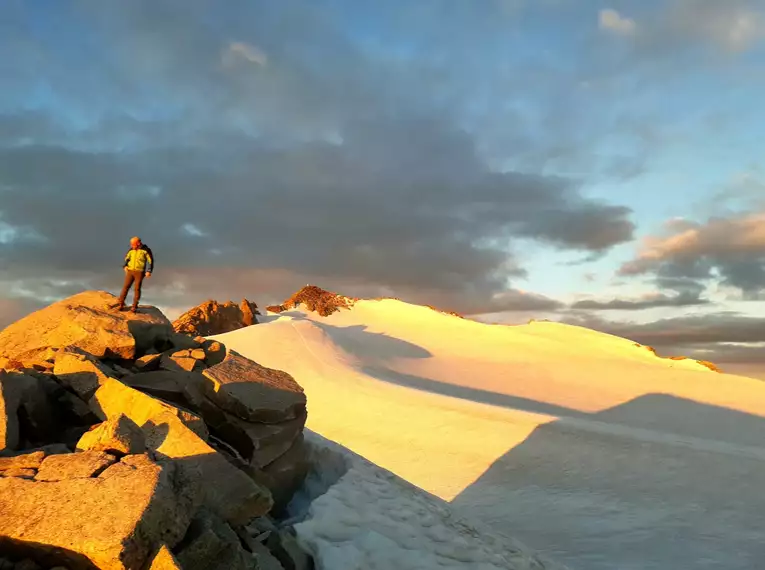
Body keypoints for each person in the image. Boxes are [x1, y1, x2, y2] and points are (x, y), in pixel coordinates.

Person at [117, 236, 153, 312]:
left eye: (133, 244)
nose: (131, 245)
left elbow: (150, 261)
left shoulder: (146, 250)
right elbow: (127, 258)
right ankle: (121, 304)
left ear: (138, 243)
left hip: (139, 272)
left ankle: (134, 306)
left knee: (137, 288)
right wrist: (125, 266)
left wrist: (149, 271)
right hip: (130, 271)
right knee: (125, 287)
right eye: (131, 244)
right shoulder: (131, 250)